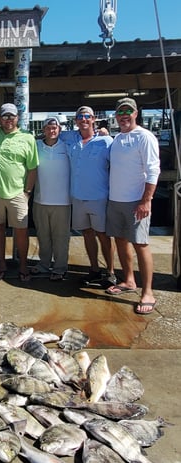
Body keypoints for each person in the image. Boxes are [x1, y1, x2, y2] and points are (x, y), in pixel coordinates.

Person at [105, 97, 161, 315]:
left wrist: (146, 200)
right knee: (120, 240)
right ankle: (129, 280)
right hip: (115, 200)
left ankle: (148, 292)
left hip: (136, 201)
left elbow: (153, 170)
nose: (124, 115)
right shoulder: (117, 138)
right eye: (120, 112)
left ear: (136, 113)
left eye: (128, 111)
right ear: (116, 116)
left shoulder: (145, 137)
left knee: (141, 244)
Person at [61, 105, 116, 287]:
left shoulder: (106, 141)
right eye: (80, 117)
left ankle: (110, 272)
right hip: (77, 197)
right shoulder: (70, 138)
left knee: (103, 234)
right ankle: (94, 269)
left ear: (93, 119)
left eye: (87, 116)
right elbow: (51, 133)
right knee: (87, 233)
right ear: (75, 121)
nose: (83, 120)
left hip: (99, 197)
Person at [0, 103, 38, 281]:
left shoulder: (27, 138)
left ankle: (23, 265)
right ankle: (1, 264)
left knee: (21, 230)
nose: (8, 119)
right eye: (5, 116)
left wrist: (27, 192)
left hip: (17, 194)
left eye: (12, 116)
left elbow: (32, 168)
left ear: (17, 118)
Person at [32, 117, 71, 281]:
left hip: (63, 202)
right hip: (40, 200)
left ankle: (60, 267)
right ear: (43, 130)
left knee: (61, 237)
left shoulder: (68, 146)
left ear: (59, 130)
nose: (51, 131)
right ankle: (44, 264)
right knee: (43, 236)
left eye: (54, 128)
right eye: (48, 128)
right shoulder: (36, 146)